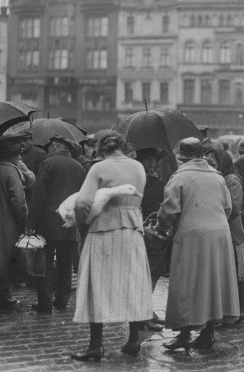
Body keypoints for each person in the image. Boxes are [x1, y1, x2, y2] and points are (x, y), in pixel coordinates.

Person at [71, 131, 152, 361]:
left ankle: (96, 345)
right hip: (132, 230)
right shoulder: (138, 167)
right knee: (133, 282)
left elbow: (83, 202)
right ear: (123, 146)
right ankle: (134, 340)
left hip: (104, 230)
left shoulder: (98, 168)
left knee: (98, 283)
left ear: (100, 148)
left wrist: (82, 223)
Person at [156, 138, 240, 352]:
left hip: (192, 235)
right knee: (213, 283)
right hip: (219, 234)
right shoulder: (217, 176)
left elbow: (169, 212)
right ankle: (208, 332)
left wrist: (161, 226)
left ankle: (184, 334)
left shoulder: (180, 176)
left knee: (187, 283)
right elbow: (228, 207)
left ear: (182, 157)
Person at [26, 135, 86, 313]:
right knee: (65, 265)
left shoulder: (48, 164)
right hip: (69, 223)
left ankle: (44, 303)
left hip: (47, 223)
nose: (49, 149)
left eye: (51, 145)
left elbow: (39, 196)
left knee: (43, 263)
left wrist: (31, 222)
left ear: (56, 146)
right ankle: (62, 300)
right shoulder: (79, 167)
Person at [210, 148, 244, 322]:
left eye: (213, 163)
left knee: (235, 273)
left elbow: (233, 208)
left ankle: (237, 311)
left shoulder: (231, 181)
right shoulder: (215, 180)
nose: (210, 167)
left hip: (232, 235)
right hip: (219, 233)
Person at [0, 135, 28, 309]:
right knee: (8, 258)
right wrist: (24, 220)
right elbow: (19, 201)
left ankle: (1, 293)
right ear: (14, 155)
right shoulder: (11, 170)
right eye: (19, 154)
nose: (20, 157)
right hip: (9, 221)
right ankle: (3, 295)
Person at [135, 147, 167, 331]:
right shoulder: (158, 184)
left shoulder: (138, 181)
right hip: (151, 233)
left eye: (153, 159)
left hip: (145, 232)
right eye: (148, 159)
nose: (152, 163)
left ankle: (146, 312)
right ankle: (144, 314)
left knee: (149, 274)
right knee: (150, 274)